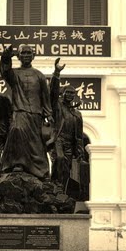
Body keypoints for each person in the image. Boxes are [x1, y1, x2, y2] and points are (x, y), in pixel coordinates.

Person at [0, 43, 52, 180]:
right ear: (18, 56)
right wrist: (5, 56)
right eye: (23, 53)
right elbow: (4, 70)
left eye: (29, 53)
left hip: (36, 113)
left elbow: (45, 96)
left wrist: (49, 114)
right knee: (16, 131)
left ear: (33, 56)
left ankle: (41, 170)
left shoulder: (39, 75)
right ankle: (17, 164)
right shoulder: (14, 74)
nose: (26, 55)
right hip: (20, 110)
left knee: (36, 142)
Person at [50, 58, 87, 197]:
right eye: (67, 92)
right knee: (58, 159)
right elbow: (52, 93)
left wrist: (80, 154)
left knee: (66, 167)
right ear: (63, 94)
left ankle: (61, 191)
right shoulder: (57, 106)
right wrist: (56, 74)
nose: (70, 95)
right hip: (58, 139)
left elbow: (78, 136)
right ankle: (54, 185)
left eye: (72, 93)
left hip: (69, 143)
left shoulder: (77, 114)